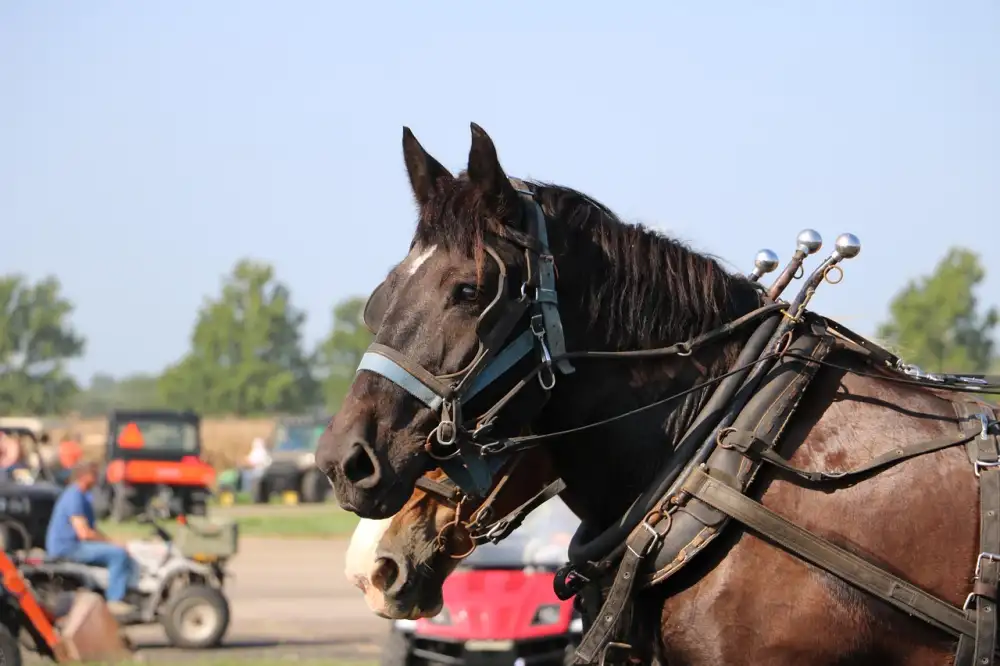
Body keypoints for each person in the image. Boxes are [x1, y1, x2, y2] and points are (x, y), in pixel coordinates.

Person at [45, 461, 135, 615]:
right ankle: (114, 600)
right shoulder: (74, 496)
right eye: (94, 475)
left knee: (114, 549)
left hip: (72, 544)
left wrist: (110, 540)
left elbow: (90, 529)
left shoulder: (80, 495)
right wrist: (113, 543)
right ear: (84, 476)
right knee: (118, 555)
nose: (97, 479)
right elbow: (84, 533)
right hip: (68, 547)